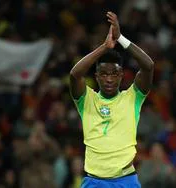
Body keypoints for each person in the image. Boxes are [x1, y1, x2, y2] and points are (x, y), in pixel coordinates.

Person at [69, 11, 154, 187]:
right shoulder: (87, 99)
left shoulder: (132, 97)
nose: (109, 79)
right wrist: (104, 47)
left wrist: (120, 38)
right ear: (97, 76)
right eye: (104, 74)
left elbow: (148, 66)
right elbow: (75, 74)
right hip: (94, 181)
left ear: (121, 75)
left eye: (114, 74)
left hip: (126, 180)